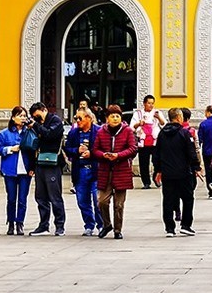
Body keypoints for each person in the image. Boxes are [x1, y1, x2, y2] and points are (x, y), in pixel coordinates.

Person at [154, 107, 202, 236]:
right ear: (179, 117)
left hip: (167, 172)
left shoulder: (162, 134)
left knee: (168, 200)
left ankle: (170, 228)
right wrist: (196, 167)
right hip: (183, 172)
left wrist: (158, 170)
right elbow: (191, 152)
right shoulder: (184, 133)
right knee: (187, 198)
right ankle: (186, 225)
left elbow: (156, 153)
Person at [93, 104, 137, 240]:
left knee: (119, 204)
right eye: (112, 116)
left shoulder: (127, 131)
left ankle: (118, 230)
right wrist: (103, 155)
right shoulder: (101, 132)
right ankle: (107, 224)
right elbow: (95, 150)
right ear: (107, 119)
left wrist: (119, 155)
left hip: (121, 171)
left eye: (118, 116)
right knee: (102, 201)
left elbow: (133, 148)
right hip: (105, 171)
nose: (115, 118)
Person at [27, 101, 67, 237]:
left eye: (37, 115)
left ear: (44, 110)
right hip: (39, 163)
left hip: (53, 164)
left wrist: (36, 125)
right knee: (40, 196)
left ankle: (60, 225)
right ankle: (43, 225)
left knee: (55, 196)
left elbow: (50, 135)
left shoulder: (55, 121)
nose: (36, 118)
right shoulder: (38, 125)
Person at [0, 105, 35, 236]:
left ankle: (20, 223)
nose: (23, 118)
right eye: (20, 115)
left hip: (25, 170)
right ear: (13, 117)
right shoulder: (4, 133)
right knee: (11, 198)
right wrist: (10, 149)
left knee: (22, 199)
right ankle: (11, 223)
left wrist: (32, 168)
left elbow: (34, 150)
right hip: (10, 170)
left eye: (24, 116)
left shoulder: (29, 132)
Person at [65, 108, 101, 236]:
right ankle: (89, 225)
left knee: (98, 200)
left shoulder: (99, 131)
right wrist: (76, 150)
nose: (77, 121)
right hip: (80, 170)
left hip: (95, 169)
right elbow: (67, 149)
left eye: (80, 118)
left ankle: (101, 224)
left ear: (89, 118)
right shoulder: (74, 133)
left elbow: (103, 149)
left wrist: (91, 153)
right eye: (76, 118)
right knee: (82, 201)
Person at [131, 94, 165, 189]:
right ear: (144, 104)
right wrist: (139, 124)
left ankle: (156, 177)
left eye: (152, 103)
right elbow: (132, 127)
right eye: (149, 103)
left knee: (157, 161)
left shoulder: (157, 113)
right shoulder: (138, 114)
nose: (151, 105)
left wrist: (158, 118)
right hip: (143, 142)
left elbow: (164, 125)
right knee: (144, 163)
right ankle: (146, 182)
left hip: (155, 141)